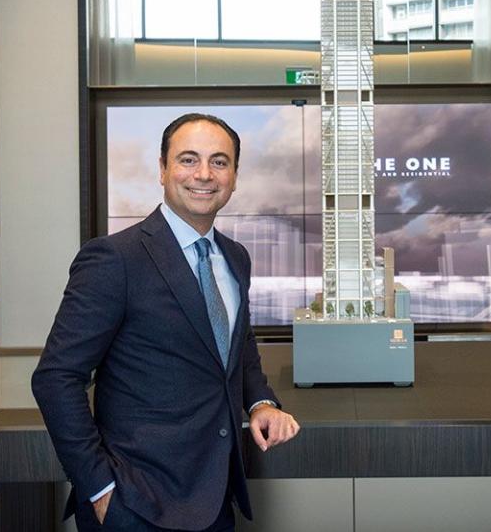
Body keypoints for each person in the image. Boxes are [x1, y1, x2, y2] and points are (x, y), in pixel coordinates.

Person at [32, 113, 300, 531]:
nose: (204, 175)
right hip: (136, 504)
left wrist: (261, 401)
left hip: (215, 498)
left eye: (219, 161)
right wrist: (100, 489)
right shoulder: (114, 259)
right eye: (188, 159)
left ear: (234, 176)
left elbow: (236, 347)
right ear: (162, 170)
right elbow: (55, 377)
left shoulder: (235, 258)